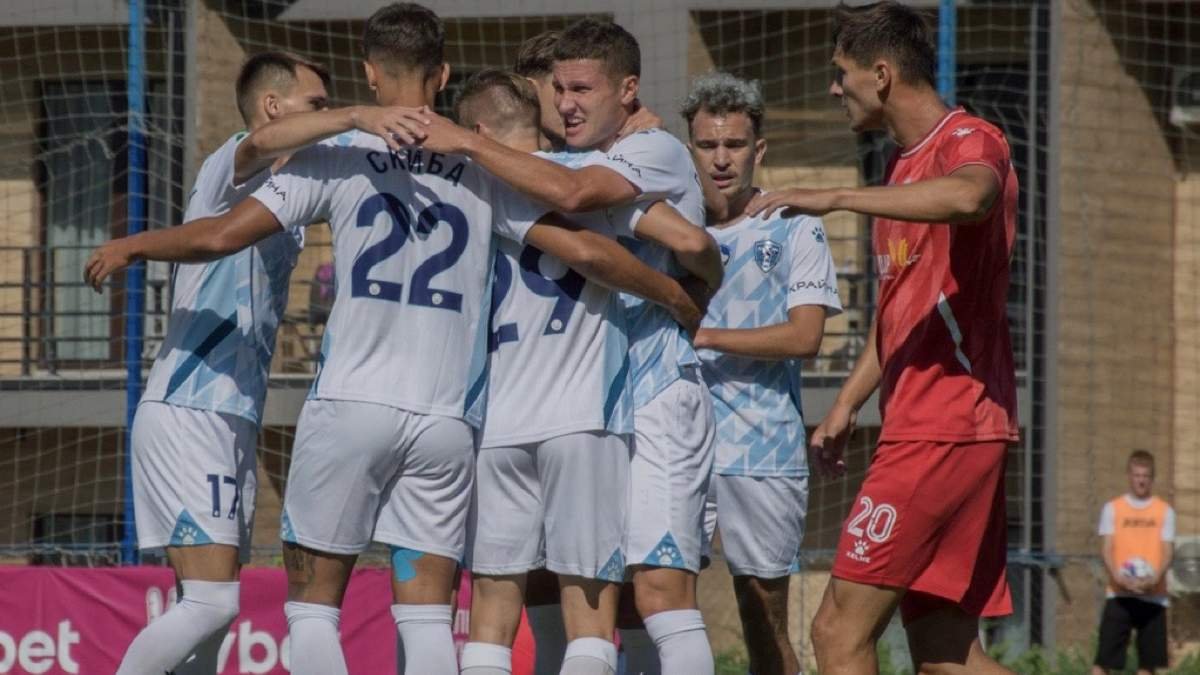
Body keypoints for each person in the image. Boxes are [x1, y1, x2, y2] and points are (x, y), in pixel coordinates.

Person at [84, 4, 706, 675]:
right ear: (443, 75)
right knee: (429, 618)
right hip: (446, 422)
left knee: (313, 611)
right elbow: (585, 249)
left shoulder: (337, 156)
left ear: (370, 74)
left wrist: (132, 245)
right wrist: (672, 293)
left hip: (351, 406)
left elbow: (220, 235)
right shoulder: (486, 168)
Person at [406, 17, 724, 674]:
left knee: (655, 592)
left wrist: (689, 291)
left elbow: (688, 240)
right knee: (579, 596)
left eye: (580, 89)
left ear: (627, 90)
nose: (566, 104)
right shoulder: (556, 168)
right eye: (557, 91)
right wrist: (687, 289)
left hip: (654, 390)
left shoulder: (649, 150)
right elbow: (689, 245)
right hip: (589, 402)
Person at [745, 3, 1020, 673]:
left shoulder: (969, 139)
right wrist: (845, 404)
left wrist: (836, 197)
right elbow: (902, 311)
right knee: (945, 654)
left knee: (837, 631)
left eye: (841, 74)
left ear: (881, 74)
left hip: (944, 428)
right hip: (936, 428)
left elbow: (970, 197)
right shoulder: (900, 168)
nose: (833, 88)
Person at [102, 51, 330, 675]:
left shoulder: (290, 196)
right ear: (273, 107)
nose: (329, 115)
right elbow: (260, 144)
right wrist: (361, 117)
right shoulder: (230, 165)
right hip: (189, 407)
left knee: (213, 609)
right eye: (317, 105)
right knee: (211, 601)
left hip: (232, 415)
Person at [683, 71, 842, 675]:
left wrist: (704, 334)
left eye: (735, 144)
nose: (721, 159)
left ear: (760, 149)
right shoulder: (671, 226)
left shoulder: (794, 224)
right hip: (679, 438)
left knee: (762, 615)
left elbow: (805, 337)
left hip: (762, 444)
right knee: (658, 595)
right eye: (708, 145)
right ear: (691, 150)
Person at [1092, 450, 1175, 675]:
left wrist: (1154, 579)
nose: (1141, 480)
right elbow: (1106, 548)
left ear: (1152, 478)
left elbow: (1167, 551)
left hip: (1153, 594)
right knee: (1103, 662)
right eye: (1137, 475)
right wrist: (1118, 578)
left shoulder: (1164, 511)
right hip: (1119, 594)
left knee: (1148, 665)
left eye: (1146, 476)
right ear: (1129, 476)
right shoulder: (1113, 508)